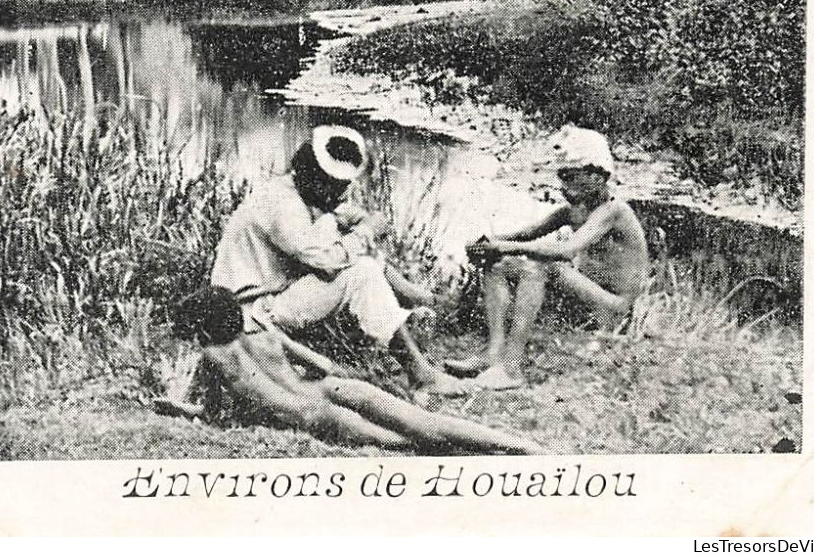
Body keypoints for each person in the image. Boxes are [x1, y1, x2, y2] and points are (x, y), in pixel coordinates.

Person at [210, 125, 466, 395]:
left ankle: (411, 312)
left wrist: (357, 225)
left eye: (343, 187)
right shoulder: (281, 203)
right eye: (333, 186)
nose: (339, 195)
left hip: (268, 302)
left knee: (349, 247)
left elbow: (346, 216)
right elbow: (326, 260)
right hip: (250, 313)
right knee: (360, 270)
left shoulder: (300, 191)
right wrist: (365, 231)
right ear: (311, 174)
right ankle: (418, 370)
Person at [163, 286, 545, 454]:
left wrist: (179, 408)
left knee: (407, 443)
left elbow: (212, 414)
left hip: (314, 414)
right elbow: (319, 363)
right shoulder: (262, 327)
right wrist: (356, 375)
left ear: (203, 326)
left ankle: (499, 451)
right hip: (330, 388)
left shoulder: (215, 357)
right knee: (423, 423)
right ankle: (517, 444)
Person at [446, 126, 650, 390]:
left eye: (571, 178)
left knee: (543, 267)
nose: (563, 186)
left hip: (614, 307)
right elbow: (527, 233)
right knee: (498, 265)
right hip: (588, 297)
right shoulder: (573, 211)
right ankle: (493, 353)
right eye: (562, 177)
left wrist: (505, 247)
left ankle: (511, 369)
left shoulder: (613, 211)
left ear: (598, 176)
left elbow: (566, 251)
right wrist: (489, 245)